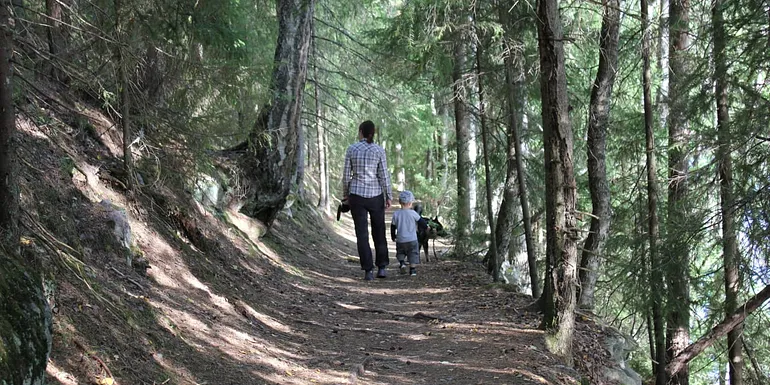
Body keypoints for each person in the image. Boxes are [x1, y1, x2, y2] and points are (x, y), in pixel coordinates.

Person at [342, 120, 393, 280]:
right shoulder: (379, 150)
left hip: (357, 195)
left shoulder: (352, 149)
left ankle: (368, 270)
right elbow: (384, 175)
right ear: (373, 133)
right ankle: (382, 267)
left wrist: (346, 195)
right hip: (376, 195)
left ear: (361, 131)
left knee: (361, 234)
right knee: (379, 231)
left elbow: (345, 176)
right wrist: (389, 195)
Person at [390, 191, 423, 276]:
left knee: (400, 252)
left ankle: (402, 264)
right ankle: (412, 270)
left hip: (400, 239)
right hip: (412, 239)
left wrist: (393, 236)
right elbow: (421, 221)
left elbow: (393, 226)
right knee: (413, 253)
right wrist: (427, 227)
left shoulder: (396, 213)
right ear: (410, 203)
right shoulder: (413, 213)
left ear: (400, 202)